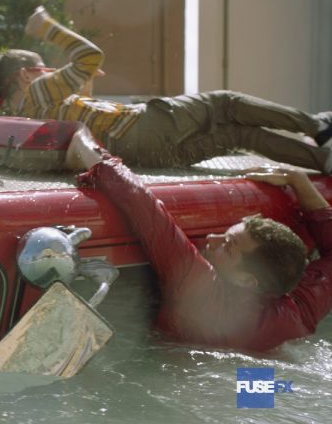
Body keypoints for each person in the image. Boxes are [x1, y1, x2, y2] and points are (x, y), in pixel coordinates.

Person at [67, 128, 332, 351]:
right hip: (262, 383)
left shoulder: (199, 289)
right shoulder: (302, 309)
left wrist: (84, 144)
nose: (211, 238)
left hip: (192, 379)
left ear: (248, 281)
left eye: (227, 246)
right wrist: (298, 180)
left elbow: (142, 204)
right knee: (255, 402)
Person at [0, 6, 332, 174]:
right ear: (23, 76)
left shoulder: (23, 121)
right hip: (146, 126)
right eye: (41, 69)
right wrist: (47, 27)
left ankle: (322, 160)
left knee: (241, 136)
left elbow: (85, 124)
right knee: (225, 103)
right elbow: (91, 55)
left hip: (142, 156)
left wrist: (80, 82)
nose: (48, 73)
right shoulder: (38, 92)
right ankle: (316, 126)